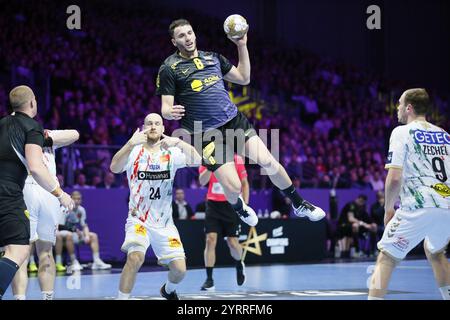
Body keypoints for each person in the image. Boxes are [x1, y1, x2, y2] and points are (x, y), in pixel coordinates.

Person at [156, 19, 325, 228]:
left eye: (190, 33)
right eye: (181, 36)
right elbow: (165, 107)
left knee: (268, 162)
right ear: (174, 42)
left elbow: (244, 78)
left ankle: (299, 204)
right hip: (205, 133)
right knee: (234, 186)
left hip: (234, 122)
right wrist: (169, 113)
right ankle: (238, 207)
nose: (188, 38)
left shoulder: (213, 58)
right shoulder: (169, 68)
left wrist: (241, 45)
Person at [369, 89, 450, 300]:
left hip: (418, 205)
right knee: (436, 253)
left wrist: (388, 209)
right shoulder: (445, 135)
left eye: (398, 104)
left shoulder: (401, 132)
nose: (396, 108)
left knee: (386, 258)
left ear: (409, 108)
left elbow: (394, 178)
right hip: (447, 207)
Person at [110, 113, 202, 300]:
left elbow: (197, 160)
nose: (153, 126)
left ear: (162, 129)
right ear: (143, 127)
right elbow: (114, 167)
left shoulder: (171, 152)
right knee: (135, 258)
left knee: (179, 270)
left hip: (165, 223)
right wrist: (129, 143)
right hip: (139, 220)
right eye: (149, 123)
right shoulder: (134, 151)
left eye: (157, 123)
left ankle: (167, 290)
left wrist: (179, 143)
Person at [0, 85, 73, 300]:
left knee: (19, 250)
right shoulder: (31, 128)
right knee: (18, 251)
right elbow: (35, 167)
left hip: (11, 191)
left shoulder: (4, 125)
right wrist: (60, 193)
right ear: (33, 103)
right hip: (16, 192)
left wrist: (47, 138)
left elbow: (74, 134)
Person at [11, 129, 79, 300]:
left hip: (43, 189)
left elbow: (75, 134)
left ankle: (40, 297)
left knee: (37, 252)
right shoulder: (15, 135)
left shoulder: (35, 133)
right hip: (35, 187)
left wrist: (45, 138)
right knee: (31, 253)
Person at [199, 154, 249, 291]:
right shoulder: (206, 157)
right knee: (210, 239)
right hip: (213, 204)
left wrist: (244, 206)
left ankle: (239, 263)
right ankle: (209, 280)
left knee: (233, 242)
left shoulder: (236, 159)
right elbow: (202, 181)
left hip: (231, 204)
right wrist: (210, 165)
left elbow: (244, 183)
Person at [55, 191, 111, 272]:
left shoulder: (81, 210)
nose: (77, 201)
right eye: (75, 199)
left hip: (74, 233)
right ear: (71, 199)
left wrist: (87, 235)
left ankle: (97, 261)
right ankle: (74, 261)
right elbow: (60, 225)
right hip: (61, 233)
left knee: (93, 236)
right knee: (69, 235)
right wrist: (74, 230)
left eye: (79, 199)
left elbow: (84, 225)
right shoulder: (65, 208)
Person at [336, 194, 377, 258]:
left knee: (374, 226)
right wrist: (364, 224)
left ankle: (373, 251)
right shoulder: (351, 205)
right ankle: (357, 251)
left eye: (363, 201)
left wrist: (372, 224)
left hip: (358, 226)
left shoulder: (362, 207)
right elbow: (351, 219)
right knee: (355, 225)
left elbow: (367, 218)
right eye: (360, 201)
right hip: (344, 225)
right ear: (357, 199)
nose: (361, 203)